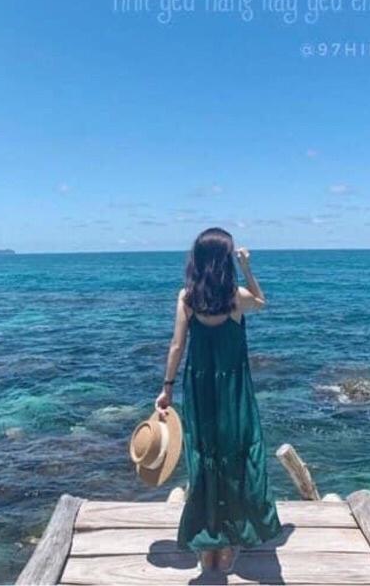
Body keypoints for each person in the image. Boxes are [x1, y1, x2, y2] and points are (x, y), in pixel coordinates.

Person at [155, 227, 282, 573]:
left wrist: (167, 388)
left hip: (200, 389)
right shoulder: (235, 297)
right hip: (234, 390)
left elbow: (176, 346)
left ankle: (207, 542)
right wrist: (248, 268)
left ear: (198, 259)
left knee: (204, 457)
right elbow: (262, 302)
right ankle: (228, 544)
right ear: (225, 260)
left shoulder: (187, 298)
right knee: (237, 457)